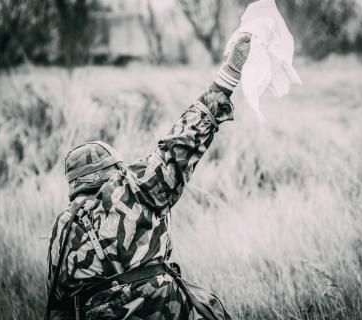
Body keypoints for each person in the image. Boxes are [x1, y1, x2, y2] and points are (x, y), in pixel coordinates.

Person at [45, 32, 251, 320]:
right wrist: (229, 75)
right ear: (114, 172)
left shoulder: (62, 229)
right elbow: (182, 143)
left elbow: (58, 309)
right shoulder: (129, 189)